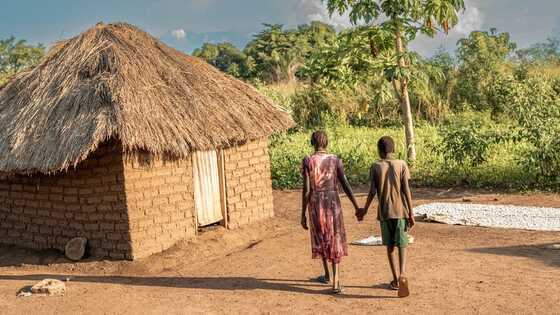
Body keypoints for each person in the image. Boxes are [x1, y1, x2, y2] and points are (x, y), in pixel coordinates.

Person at [301, 130, 359, 294]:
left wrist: (302, 214)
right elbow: (345, 184)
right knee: (334, 238)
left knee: (321, 236)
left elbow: (306, 190)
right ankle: (335, 281)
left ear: (313, 143)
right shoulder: (335, 160)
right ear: (326, 143)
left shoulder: (308, 160)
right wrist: (356, 206)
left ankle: (326, 274)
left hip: (315, 203)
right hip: (332, 203)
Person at [357, 136, 415, 298]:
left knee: (389, 246)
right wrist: (411, 212)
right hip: (401, 211)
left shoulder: (375, 166)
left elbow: (372, 191)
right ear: (393, 149)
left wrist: (365, 210)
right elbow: (406, 190)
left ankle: (395, 279)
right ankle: (403, 273)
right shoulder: (402, 164)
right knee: (402, 244)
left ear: (380, 150)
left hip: (384, 212)